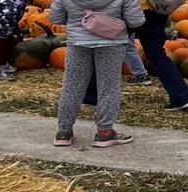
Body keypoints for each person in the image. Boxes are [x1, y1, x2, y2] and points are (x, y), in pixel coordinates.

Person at [49, 0, 144, 147]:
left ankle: (64, 132)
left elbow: (56, 18)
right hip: (111, 42)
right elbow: (136, 20)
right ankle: (104, 132)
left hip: (78, 42)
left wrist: (77, 18)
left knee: (72, 87)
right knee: (108, 87)